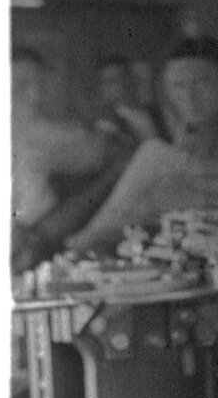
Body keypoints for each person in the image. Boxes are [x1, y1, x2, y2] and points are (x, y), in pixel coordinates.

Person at [61, 36, 218, 259]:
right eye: (178, 86)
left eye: (201, 83)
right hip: (205, 225)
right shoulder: (190, 128)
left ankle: (83, 244)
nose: (189, 96)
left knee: (154, 154)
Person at [11, 46, 133, 272]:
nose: (35, 96)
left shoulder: (41, 130)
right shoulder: (33, 132)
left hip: (33, 237)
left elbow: (95, 149)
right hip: (29, 242)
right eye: (20, 86)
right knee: (120, 167)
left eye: (40, 85)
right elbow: (102, 151)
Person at [91, 55, 161, 147]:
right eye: (109, 82)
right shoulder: (106, 124)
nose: (122, 84)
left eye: (121, 79)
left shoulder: (153, 113)